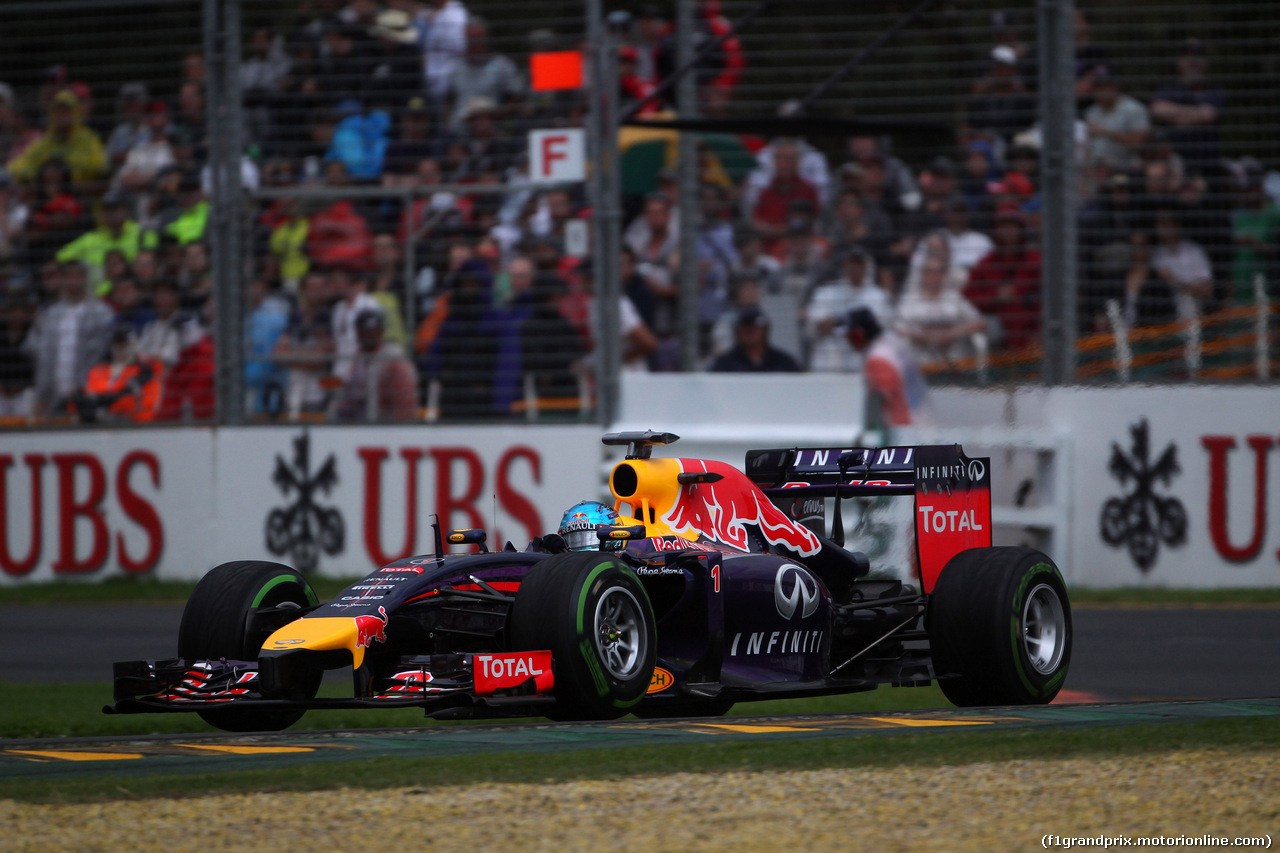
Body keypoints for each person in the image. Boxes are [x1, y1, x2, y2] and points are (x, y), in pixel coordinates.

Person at [24, 260, 114, 416]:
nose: (73, 280)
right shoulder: (50, 316)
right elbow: (43, 358)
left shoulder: (102, 314)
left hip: (88, 398)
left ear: (85, 279)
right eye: (68, 275)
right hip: (53, 398)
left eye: (78, 275)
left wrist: (82, 387)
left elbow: (101, 355)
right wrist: (41, 396)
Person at [964, 210, 1041, 350]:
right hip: (999, 341)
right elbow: (968, 296)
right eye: (1003, 227)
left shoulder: (1034, 260)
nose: (1008, 231)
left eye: (1012, 226)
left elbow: (1049, 298)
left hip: (1033, 335)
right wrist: (995, 297)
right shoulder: (986, 263)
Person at [804, 248, 892, 372]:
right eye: (851, 265)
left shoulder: (878, 297)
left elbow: (880, 332)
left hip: (862, 365)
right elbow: (814, 325)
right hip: (829, 364)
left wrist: (839, 323)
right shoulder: (826, 293)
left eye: (860, 265)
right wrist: (846, 320)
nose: (855, 270)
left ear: (867, 267)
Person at [845, 306, 931, 429]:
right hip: (920, 416)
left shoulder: (877, 360)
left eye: (849, 336)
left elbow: (882, 402)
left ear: (858, 335)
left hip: (904, 427)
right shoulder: (889, 343)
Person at [895, 253, 986, 363]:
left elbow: (980, 323)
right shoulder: (910, 300)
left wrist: (952, 333)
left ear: (944, 274)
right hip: (922, 363)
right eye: (930, 271)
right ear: (923, 274)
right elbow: (898, 329)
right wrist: (925, 337)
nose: (934, 276)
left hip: (956, 361)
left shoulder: (954, 297)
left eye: (938, 272)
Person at [6, 90, 106, 189]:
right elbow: (23, 163)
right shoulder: (46, 141)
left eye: (67, 110)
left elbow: (101, 168)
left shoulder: (88, 139)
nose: (62, 114)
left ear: (76, 112)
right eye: (58, 110)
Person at [334, 309, 418, 421]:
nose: (369, 335)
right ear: (357, 333)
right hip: (356, 421)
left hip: (385, 424)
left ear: (381, 331)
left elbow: (405, 403)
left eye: (374, 330)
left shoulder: (394, 358)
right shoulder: (355, 358)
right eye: (364, 331)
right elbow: (345, 393)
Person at [70, 326, 163, 423]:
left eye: (124, 345)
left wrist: (98, 401)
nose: (120, 349)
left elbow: (129, 403)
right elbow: (84, 399)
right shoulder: (98, 370)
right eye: (116, 345)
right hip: (96, 424)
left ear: (135, 346)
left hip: (133, 427)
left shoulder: (146, 372)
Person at [1083, 67, 1150, 172]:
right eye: (1098, 87)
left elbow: (1138, 142)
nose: (1101, 91)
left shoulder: (1133, 109)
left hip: (1125, 170)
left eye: (1106, 86)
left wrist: (1106, 132)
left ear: (1115, 86)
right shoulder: (1091, 112)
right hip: (1095, 172)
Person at [709, 306, 802, 373]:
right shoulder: (725, 364)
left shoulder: (784, 362)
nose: (750, 332)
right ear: (737, 331)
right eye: (745, 328)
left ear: (765, 330)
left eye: (755, 328)